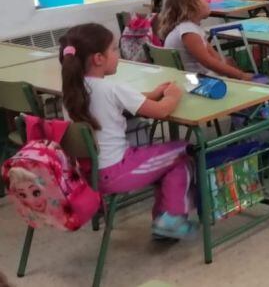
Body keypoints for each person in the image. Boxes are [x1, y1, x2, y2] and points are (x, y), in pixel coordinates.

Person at [59, 23, 197, 239]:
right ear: (98, 58)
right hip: (116, 171)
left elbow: (122, 100)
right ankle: (171, 218)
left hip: (89, 174)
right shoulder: (112, 88)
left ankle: (164, 220)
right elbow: (161, 111)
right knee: (182, 154)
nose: (118, 54)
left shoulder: (71, 92)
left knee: (164, 159)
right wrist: (173, 95)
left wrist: (151, 94)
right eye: (114, 49)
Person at [159, 0, 253, 80]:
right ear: (190, 5)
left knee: (229, 62)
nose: (207, 1)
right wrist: (241, 76)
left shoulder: (190, 28)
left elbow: (215, 58)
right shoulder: (188, 31)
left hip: (194, 79)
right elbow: (208, 62)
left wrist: (232, 69)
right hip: (196, 82)